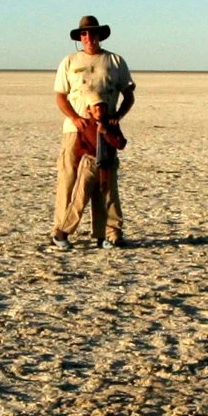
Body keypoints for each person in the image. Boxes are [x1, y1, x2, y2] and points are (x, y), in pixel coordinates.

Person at [50, 15, 136, 250]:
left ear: (100, 35)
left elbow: (129, 94)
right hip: (75, 131)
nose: (89, 38)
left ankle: (104, 234)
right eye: (85, 34)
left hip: (104, 133)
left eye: (93, 33)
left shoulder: (115, 61)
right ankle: (61, 230)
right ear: (79, 37)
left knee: (104, 182)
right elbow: (60, 95)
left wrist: (117, 116)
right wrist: (74, 118)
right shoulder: (69, 62)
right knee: (69, 179)